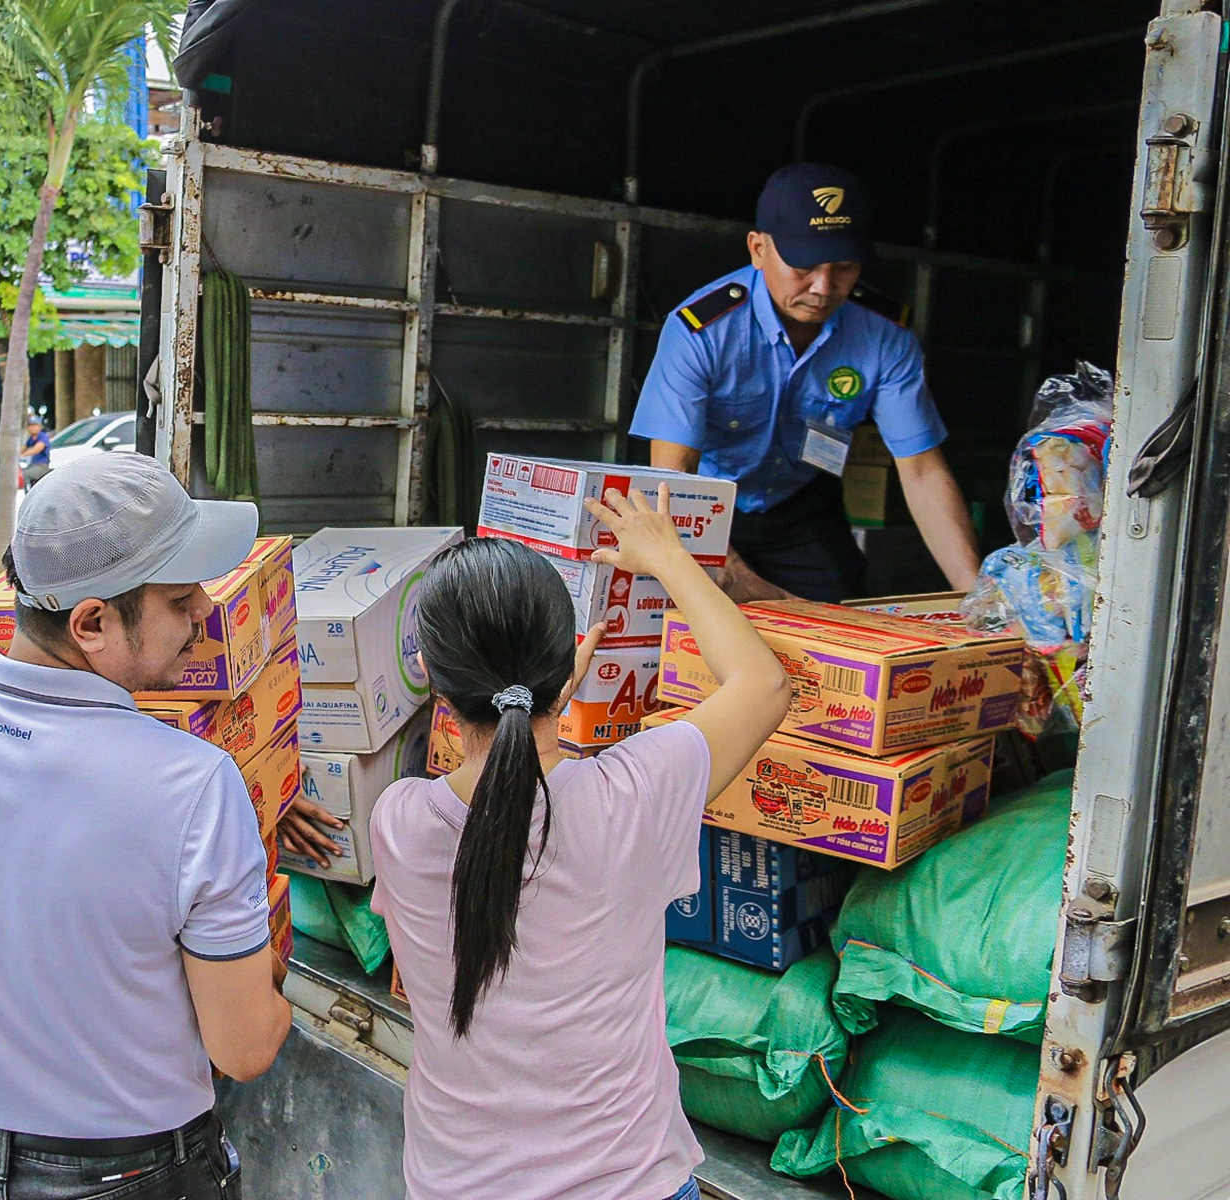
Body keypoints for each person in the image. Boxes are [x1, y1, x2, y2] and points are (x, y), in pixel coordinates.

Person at [0, 453, 291, 1200]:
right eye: (177, 597)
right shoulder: (193, 784)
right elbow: (245, 1046)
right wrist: (269, 981)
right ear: (91, 622)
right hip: (131, 1170)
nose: (204, 609)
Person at [371, 486, 793, 1200]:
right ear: (567, 669)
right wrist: (666, 555)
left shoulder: (400, 824)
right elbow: (764, 682)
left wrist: (540, 702)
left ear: (437, 691)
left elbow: (500, 790)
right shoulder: (634, 794)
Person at [629, 163, 982, 602]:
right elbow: (673, 474)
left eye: (845, 267)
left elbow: (922, 471)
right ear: (758, 249)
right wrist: (732, 575)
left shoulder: (884, 336)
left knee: (843, 622)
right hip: (706, 506)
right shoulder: (701, 331)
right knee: (702, 626)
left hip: (800, 503)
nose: (824, 286)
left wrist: (978, 597)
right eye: (804, 265)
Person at [21, 417, 53, 488]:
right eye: (30, 425)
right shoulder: (30, 438)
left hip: (41, 466)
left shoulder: (43, 436)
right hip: (32, 465)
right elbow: (23, 448)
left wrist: (22, 455)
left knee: (23, 474)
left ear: (40, 426)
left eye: (35, 425)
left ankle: (26, 494)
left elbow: (36, 449)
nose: (32, 427)